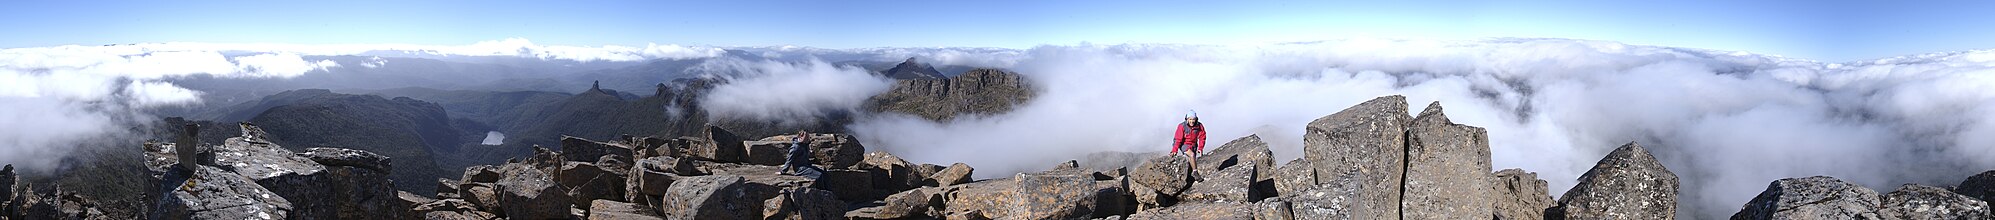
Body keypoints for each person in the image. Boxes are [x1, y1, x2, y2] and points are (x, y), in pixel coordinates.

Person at [1172, 110, 1207, 178]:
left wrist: (1200, 148)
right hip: (1184, 144)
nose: (1192, 121)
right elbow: (1177, 139)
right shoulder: (1182, 126)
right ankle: (1195, 173)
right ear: (1187, 119)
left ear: (1196, 119)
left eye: (1193, 119)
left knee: (1192, 159)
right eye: (1190, 119)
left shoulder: (1199, 126)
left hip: (1194, 145)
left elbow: (1202, 137)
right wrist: (1174, 150)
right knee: (1192, 155)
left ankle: (1190, 176)